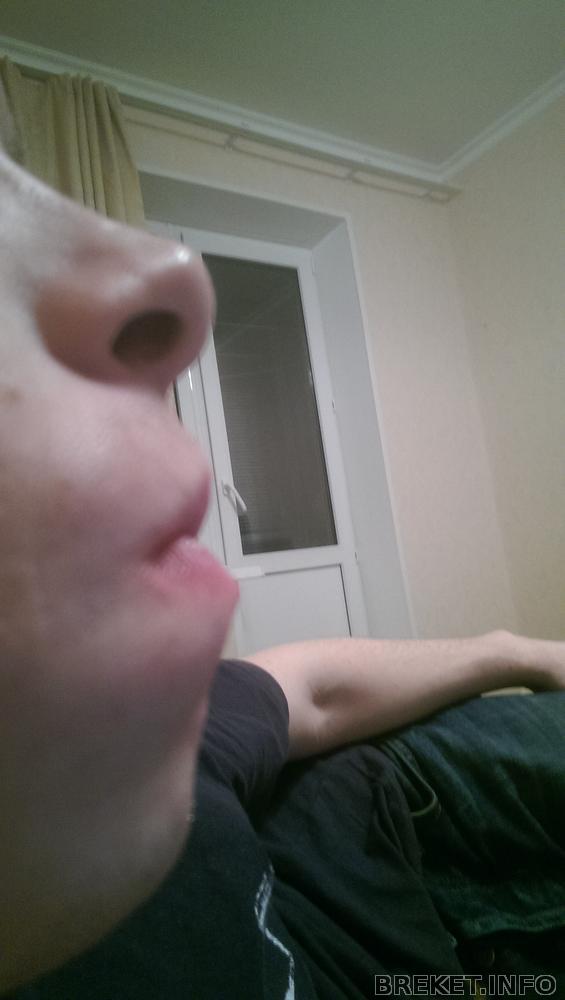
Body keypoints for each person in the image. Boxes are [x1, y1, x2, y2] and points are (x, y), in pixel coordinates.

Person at [1, 85, 564, 996]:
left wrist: (517, 651)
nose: (166, 274)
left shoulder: (94, 748)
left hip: (400, 837)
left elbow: (307, 690)